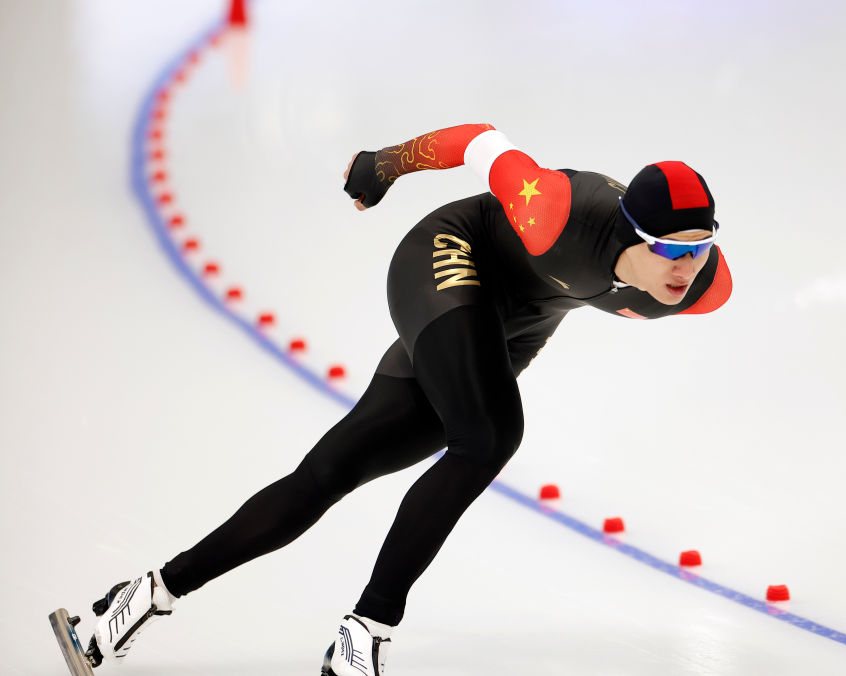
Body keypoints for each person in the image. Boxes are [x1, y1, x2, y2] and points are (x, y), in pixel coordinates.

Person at [78, 123, 732, 675]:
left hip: (514, 325)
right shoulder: (555, 209)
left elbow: (661, 273)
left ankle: (146, 595)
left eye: (700, 247)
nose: (686, 267)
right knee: (488, 437)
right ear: (630, 232)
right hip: (449, 257)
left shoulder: (705, 288)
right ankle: (366, 633)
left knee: (332, 471)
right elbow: (479, 140)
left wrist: (685, 261)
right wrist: (380, 166)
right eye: (668, 249)